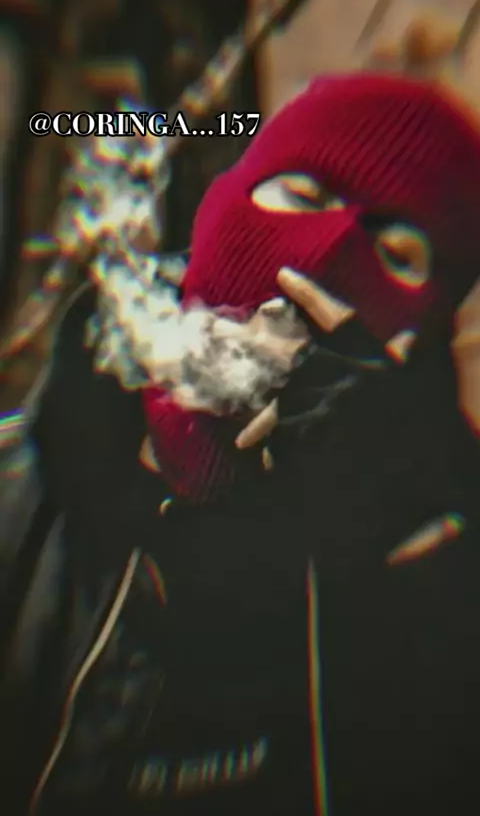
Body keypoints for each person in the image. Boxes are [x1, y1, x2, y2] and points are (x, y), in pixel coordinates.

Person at [4, 71, 480, 816]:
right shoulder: (16, 490)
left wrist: (406, 539)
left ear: (421, 343)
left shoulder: (438, 549)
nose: (326, 253)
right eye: (305, 198)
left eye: (395, 253)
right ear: (224, 207)